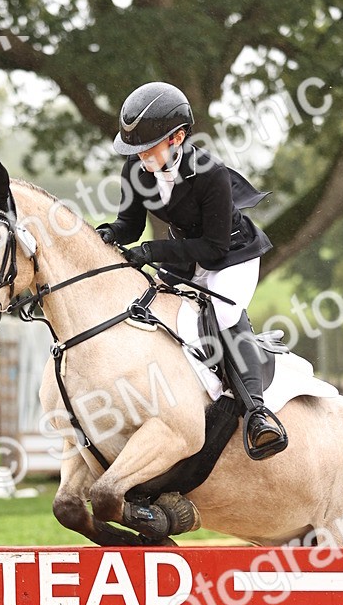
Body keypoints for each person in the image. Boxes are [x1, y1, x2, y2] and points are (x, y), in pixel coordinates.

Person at [97, 80, 288, 459]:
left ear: (178, 138)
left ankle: (257, 412)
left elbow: (214, 249)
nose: (140, 159)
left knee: (222, 314)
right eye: (135, 151)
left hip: (232, 254)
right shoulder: (136, 169)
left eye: (147, 149)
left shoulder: (210, 175)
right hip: (187, 256)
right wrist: (105, 233)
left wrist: (152, 251)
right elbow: (129, 225)